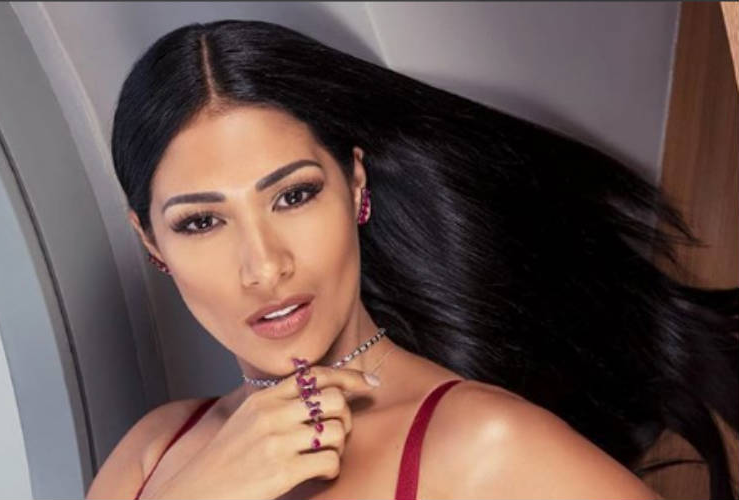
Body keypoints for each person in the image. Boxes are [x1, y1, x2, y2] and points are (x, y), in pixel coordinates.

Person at [85, 19, 737, 500]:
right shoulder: (156, 450)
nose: (263, 266)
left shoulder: (487, 446)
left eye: (294, 195)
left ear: (356, 187)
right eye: (201, 222)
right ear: (152, 242)